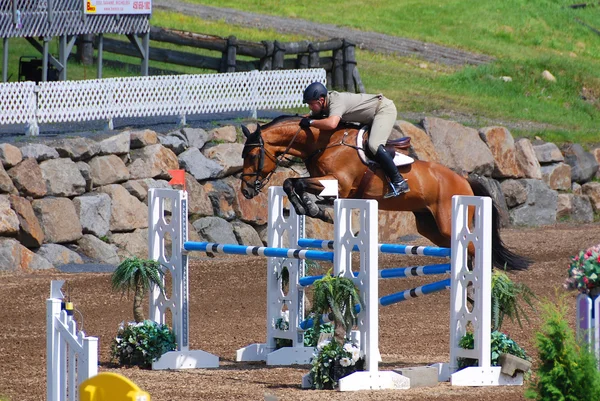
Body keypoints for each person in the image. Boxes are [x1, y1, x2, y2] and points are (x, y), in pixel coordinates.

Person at [299, 82, 409, 198]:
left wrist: (311, 122)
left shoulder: (336, 101)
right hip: (369, 117)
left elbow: (332, 124)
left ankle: (399, 181)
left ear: (321, 100)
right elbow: (309, 116)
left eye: (311, 104)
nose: (310, 107)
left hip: (383, 110)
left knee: (373, 145)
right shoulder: (324, 104)